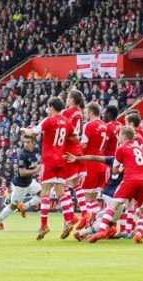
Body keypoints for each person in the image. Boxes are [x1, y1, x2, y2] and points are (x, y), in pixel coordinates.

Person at [76, 127, 143, 244]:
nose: (118, 138)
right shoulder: (139, 149)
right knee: (142, 211)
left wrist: (122, 168)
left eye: (119, 135)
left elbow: (114, 170)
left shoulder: (120, 149)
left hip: (127, 182)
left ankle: (99, 230)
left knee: (114, 208)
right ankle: (139, 233)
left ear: (124, 137)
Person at [20, 97, 77, 240]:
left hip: (49, 160)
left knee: (45, 192)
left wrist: (22, 130)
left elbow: (33, 132)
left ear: (51, 107)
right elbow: (75, 137)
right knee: (60, 191)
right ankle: (68, 222)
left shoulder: (49, 120)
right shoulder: (67, 122)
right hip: (61, 160)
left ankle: (43, 225)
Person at [0, 135, 42, 230]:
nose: (26, 144)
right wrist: (36, 170)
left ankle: (25, 206)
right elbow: (22, 172)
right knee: (13, 205)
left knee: (43, 194)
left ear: (33, 143)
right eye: (25, 142)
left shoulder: (36, 150)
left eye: (28, 142)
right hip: (20, 184)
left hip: (29, 182)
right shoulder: (22, 155)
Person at [78, 102, 108, 228]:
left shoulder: (89, 125)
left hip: (90, 164)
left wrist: (75, 155)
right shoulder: (105, 125)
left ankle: (88, 226)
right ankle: (94, 225)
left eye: (86, 113)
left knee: (86, 197)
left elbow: (84, 145)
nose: (85, 115)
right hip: (102, 164)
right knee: (93, 199)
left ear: (91, 113)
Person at [62, 90, 86, 229]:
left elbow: (63, 132)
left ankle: (71, 215)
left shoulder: (66, 113)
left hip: (67, 150)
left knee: (62, 184)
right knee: (76, 184)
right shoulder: (80, 112)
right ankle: (83, 213)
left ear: (71, 99)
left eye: (67, 97)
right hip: (76, 149)